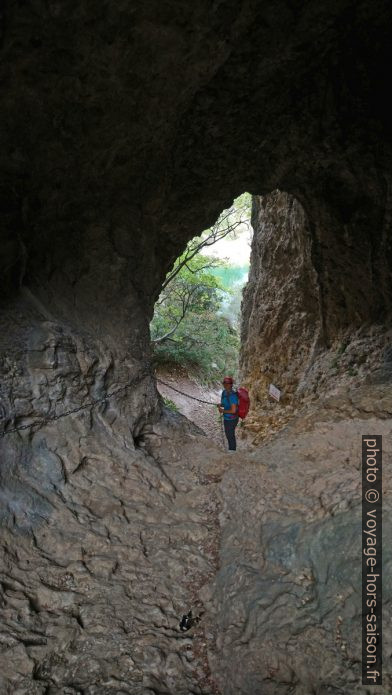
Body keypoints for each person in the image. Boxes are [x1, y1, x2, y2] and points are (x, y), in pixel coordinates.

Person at [217, 376, 239, 451]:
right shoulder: (224, 392)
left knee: (230, 436)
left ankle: (232, 451)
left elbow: (233, 410)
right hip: (227, 418)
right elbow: (225, 404)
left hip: (232, 419)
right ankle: (231, 450)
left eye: (228, 383)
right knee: (228, 434)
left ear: (231, 384)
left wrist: (222, 411)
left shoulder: (233, 396)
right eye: (224, 383)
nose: (226, 385)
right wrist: (221, 405)